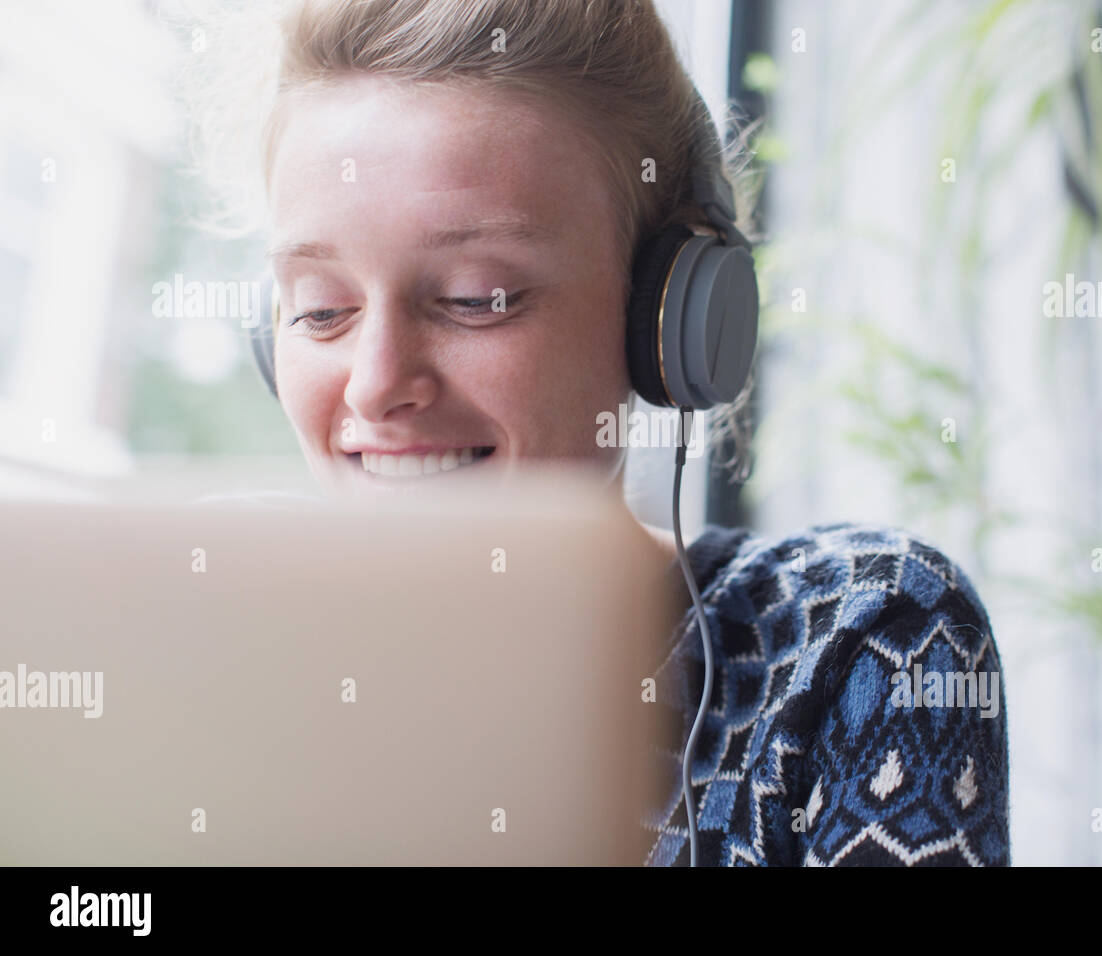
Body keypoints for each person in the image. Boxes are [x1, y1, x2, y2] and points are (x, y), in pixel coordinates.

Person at [188, 0, 1009, 866]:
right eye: (320, 309)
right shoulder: (210, 663)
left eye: (476, 298)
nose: (376, 382)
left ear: (668, 318)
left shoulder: (860, 643)